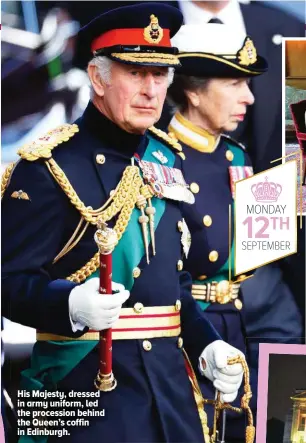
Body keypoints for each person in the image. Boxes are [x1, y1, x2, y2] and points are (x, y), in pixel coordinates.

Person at [1, 4, 246, 443]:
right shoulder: (46, 166)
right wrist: (70, 304)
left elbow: (171, 286)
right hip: (75, 397)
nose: (151, 90)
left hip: (169, 397)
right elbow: (9, 283)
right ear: (98, 77)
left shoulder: (167, 158)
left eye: (160, 74)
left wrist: (206, 344)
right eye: (136, 73)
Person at [167, 23, 303, 442]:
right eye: (235, 83)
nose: (249, 97)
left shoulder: (235, 154)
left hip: (247, 329)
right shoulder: (155, 158)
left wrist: (295, 189)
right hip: (187, 341)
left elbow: (254, 253)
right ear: (192, 90)